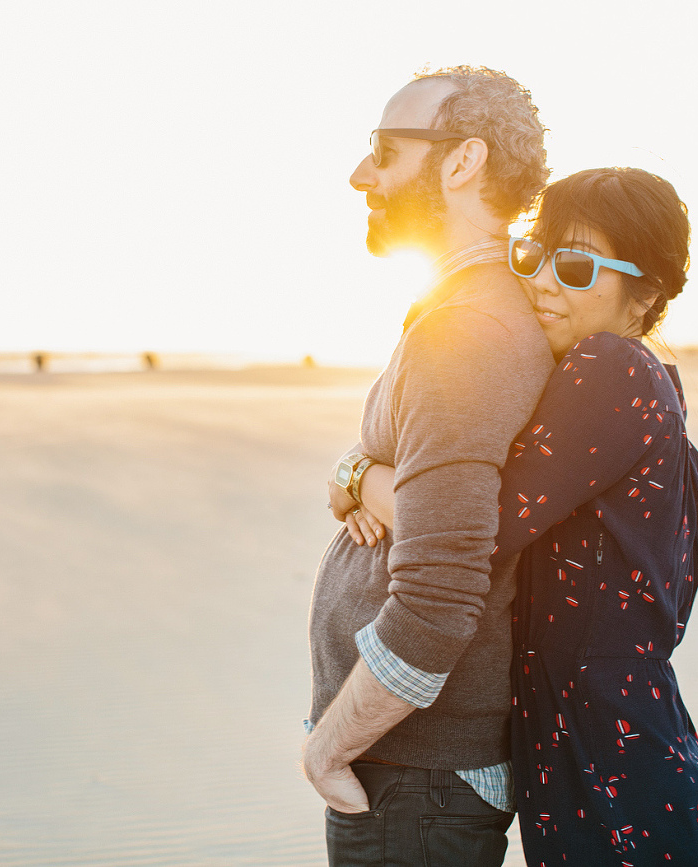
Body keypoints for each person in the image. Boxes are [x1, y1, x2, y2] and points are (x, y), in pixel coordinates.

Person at [344, 167, 698, 865]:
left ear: (642, 293)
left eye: (577, 265)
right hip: (608, 752)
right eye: (532, 255)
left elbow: (472, 528)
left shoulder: (610, 368)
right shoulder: (657, 394)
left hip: (617, 778)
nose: (544, 282)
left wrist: (358, 476)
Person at [302, 67, 553, 866]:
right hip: (412, 774)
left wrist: (329, 746)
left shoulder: (468, 331)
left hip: (413, 777)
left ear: (460, 162)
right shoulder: (461, 310)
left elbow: (441, 591)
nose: (359, 174)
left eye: (383, 148)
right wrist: (356, 472)